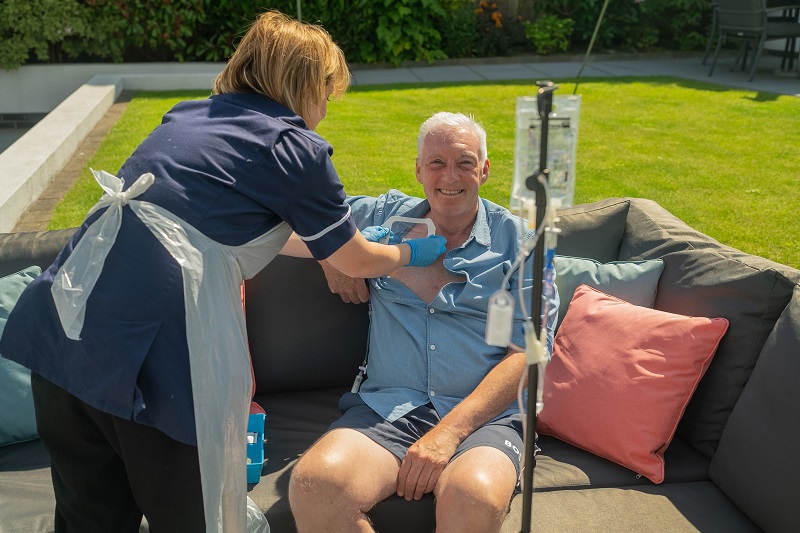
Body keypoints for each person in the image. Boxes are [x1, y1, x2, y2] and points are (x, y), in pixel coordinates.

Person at [0, 11, 446, 533]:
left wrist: (333, 251)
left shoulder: (188, 119)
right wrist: (415, 255)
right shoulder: (293, 147)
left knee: (88, 520)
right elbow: (355, 259)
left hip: (65, 338)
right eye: (327, 92)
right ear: (305, 83)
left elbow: (224, 229)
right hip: (154, 368)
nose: (326, 109)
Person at [285, 112, 559, 532]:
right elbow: (280, 224)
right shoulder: (383, 218)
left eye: (465, 162)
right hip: (387, 408)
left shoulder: (523, 245)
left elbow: (526, 357)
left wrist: (447, 434)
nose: (451, 175)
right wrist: (331, 255)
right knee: (315, 485)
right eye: (436, 162)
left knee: (473, 494)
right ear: (417, 169)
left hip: (484, 419)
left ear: (484, 170)